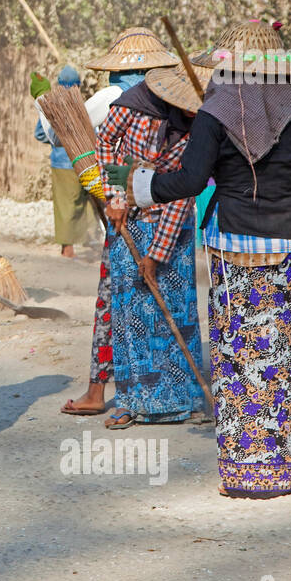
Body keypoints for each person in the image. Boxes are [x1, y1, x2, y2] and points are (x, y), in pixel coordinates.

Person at [122, 20, 291, 497]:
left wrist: (143, 188)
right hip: (288, 245)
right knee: (285, 352)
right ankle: (290, 464)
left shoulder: (215, 114)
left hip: (234, 245)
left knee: (239, 353)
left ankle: (246, 468)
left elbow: (192, 182)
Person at [61, 27, 178, 417]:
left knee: (123, 302)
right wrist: (115, 194)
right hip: (135, 212)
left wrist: (114, 194)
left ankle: (123, 391)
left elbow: (69, 139)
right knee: (131, 302)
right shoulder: (129, 100)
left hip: (136, 211)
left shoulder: (122, 98)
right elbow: (96, 144)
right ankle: (136, 391)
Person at [97, 63, 203, 429]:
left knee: (174, 309)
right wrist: (114, 196)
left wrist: (158, 253)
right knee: (131, 311)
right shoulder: (133, 105)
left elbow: (187, 187)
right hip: (128, 217)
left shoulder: (203, 127)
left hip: (173, 223)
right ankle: (130, 400)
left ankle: (182, 399)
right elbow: (105, 142)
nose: (192, 111)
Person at [35, 65, 96, 259]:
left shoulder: (52, 105)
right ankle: (87, 243)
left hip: (62, 163)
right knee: (86, 202)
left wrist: (58, 141)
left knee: (66, 206)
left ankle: (68, 248)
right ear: (78, 85)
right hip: (86, 161)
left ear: (59, 85)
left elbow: (40, 133)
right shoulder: (84, 105)